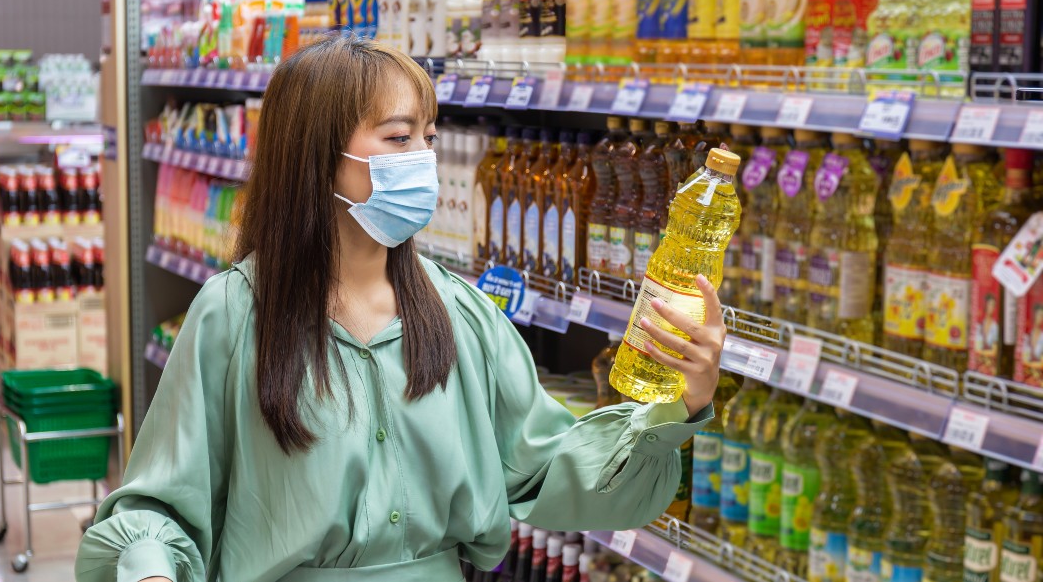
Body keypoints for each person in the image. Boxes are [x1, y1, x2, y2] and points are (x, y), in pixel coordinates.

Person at [75, 35, 723, 582]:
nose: (424, 160)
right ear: (318, 154)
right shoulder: (233, 315)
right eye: (398, 136)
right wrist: (152, 563)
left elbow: (547, 463)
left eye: (428, 136)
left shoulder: (458, 312)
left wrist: (678, 404)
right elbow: (162, 501)